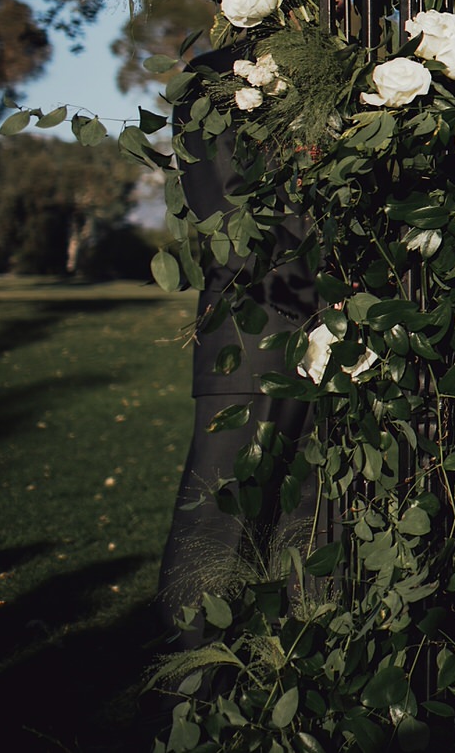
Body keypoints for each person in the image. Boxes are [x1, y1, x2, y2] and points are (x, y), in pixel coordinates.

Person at [155, 44, 319, 646]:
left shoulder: (344, 76)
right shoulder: (213, 82)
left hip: (335, 336)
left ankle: (283, 682)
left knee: (308, 525)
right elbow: (225, 212)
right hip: (252, 335)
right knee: (217, 528)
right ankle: (190, 686)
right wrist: (328, 291)